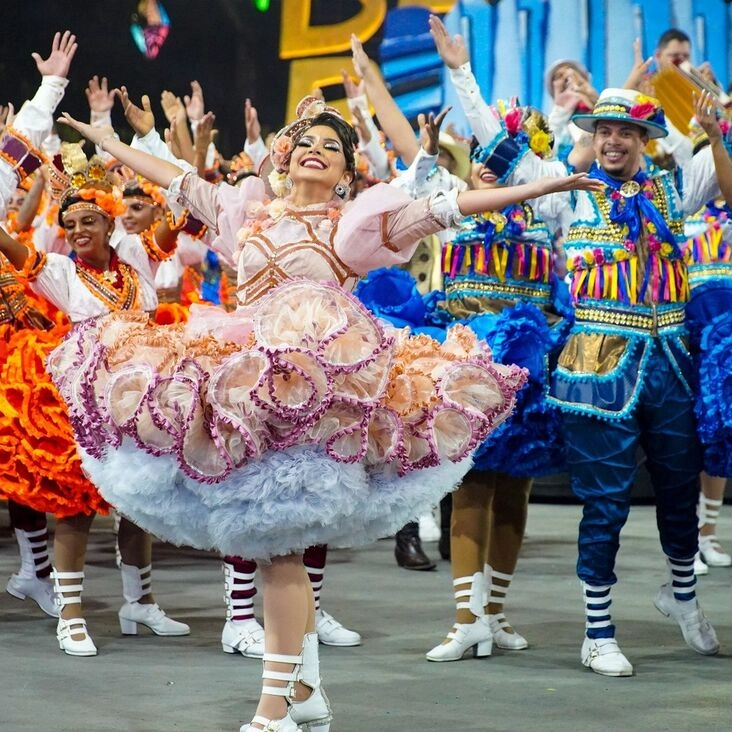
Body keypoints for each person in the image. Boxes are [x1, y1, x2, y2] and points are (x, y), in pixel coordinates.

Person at [55, 84, 597, 730]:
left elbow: (446, 206)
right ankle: (305, 690)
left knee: (283, 549)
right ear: (285, 160)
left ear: (346, 171)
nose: (315, 152)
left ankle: (272, 707)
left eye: (331, 148)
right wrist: (111, 143)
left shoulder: (352, 228)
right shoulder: (245, 213)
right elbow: (176, 180)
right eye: (305, 143)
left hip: (318, 404)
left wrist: (534, 192)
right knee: (272, 552)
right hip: (246, 391)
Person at [429, 12, 725, 678]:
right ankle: (598, 630)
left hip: (670, 360)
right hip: (596, 366)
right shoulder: (564, 195)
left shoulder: (678, 186)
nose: (615, 141)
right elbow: (492, 142)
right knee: (606, 500)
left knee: (679, 490)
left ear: (646, 138)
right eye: (605, 130)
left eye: (627, 131)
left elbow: (723, 164)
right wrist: (460, 72)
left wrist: (716, 123)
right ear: (592, 136)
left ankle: (682, 595)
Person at [0, 140, 190, 655]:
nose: (79, 232)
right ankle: (72, 615)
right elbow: (15, 249)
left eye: (89, 222)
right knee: (76, 507)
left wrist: (175, 169)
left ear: (110, 226)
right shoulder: (62, 275)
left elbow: (174, 224)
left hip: (144, 400)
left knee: (136, 505)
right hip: (88, 402)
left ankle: (139, 604)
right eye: (72, 225)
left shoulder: (135, 260)